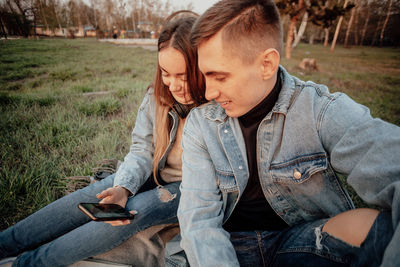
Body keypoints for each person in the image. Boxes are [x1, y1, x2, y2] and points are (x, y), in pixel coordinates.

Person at [177, 0, 400, 266]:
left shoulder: (320, 110)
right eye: (205, 76)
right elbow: (199, 222)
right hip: (229, 248)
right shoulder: (202, 123)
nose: (208, 93)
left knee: (378, 229)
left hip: (302, 245)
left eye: (220, 77)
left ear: (267, 64)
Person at [0, 15, 205, 267]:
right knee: (102, 194)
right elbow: (141, 150)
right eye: (166, 73)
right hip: (154, 174)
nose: (173, 85)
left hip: (191, 189)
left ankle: (26, 264)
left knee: (140, 208)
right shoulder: (156, 96)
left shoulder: (217, 108)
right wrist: (123, 187)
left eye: (183, 75)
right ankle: (4, 244)